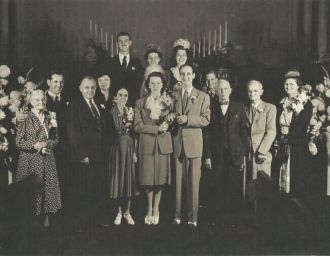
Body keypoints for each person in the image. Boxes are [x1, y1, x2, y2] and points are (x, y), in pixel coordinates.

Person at [171, 65, 210, 227]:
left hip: (194, 144)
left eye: (188, 74)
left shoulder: (202, 96)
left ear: (193, 76)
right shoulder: (173, 95)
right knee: (178, 183)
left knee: (194, 183)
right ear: (179, 76)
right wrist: (171, 116)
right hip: (178, 143)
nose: (185, 77)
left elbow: (206, 120)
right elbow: (168, 114)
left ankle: (192, 218)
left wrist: (188, 120)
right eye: (183, 74)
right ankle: (177, 215)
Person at [15, 90, 61, 227]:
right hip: (30, 161)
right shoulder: (26, 118)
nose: (40, 102)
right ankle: (30, 222)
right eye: (36, 100)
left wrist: (46, 144)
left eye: (43, 99)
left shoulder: (50, 116)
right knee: (31, 191)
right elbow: (18, 142)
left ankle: (46, 219)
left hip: (47, 159)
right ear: (31, 101)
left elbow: (56, 139)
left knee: (47, 188)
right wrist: (35, 145)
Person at [204, 80, 247, 219]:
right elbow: (207, 134)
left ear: (230, 90)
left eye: (225, 89)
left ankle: (234, 218)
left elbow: (243, 133)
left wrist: (243, 155)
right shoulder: (210, 108)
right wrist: (207, 155)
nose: (222, 92)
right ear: (216, 92)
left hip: (235, 153)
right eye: (220, 89)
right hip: (217, 154)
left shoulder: (239, 108)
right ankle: (217, 219)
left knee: (234, 185)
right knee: (217, 185)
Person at [66, 76, 105, 230]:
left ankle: (94, 221)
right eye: (87, 87)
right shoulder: (74, 105)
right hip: (84, 156)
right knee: (83, 189)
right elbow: (72, 132)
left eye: (93, 87)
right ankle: (83, 223)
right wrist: (83, 154)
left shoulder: (97, 105)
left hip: (98, 154)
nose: (90, 90)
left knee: (96, 187)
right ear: (80, 88)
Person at [134, 72, 173, 225]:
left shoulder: (169, 101)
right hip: (147, 145)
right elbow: (137, 126)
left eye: (158, 83)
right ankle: (148, 208)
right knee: (148, 179)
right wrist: (156, 129)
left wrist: (168, 121)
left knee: (160, 180)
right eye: (152, 83)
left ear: (162, 85)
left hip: (163, 144)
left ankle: (156, 208)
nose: (155, 85)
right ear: (148, 85)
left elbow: (172, 121)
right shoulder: (140, 102)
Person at [275, 71, 313, 197]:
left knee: (296, 178)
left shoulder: (306, 103)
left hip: (297, 145)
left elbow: (303, 126)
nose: (288, 87)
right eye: (286, 84)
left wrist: (289, 133)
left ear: (298, 86)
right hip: (282, 143)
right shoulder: (281, 102)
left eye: (291, 84)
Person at [108, 88, 139, 225]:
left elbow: (135, 134)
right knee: (117, 180)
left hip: (129, 148)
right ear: (116, 96)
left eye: (126, 95)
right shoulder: (111, 112)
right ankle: (118, 212)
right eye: (120, 95)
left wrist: (134, 153)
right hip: (115, 149)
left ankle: (128, 212)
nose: (123, 97)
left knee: (129, 180)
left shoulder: (131, 111)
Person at [45, 70, 70, 207]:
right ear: (48, 82)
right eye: (55, 81)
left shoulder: (69, 99)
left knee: (65, 179)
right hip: (48, 146)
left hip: (65, 146)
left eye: (61, 82)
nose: (59, 85)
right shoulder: (41, 99)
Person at [245, 80, 276, 181]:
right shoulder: (244, 109)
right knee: (248, 187)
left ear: (261, 92)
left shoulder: (269, 108)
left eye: (255, 91)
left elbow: (271, 131)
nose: (252, 94)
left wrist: (262, 152)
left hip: (262, 154)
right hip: (247, 155)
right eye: (250, 91)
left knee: (262, 185)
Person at [107, 32, 143, 105]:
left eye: (126, 41)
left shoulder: (137, 63)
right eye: (120, 41)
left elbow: (139, 85)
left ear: (130, 43)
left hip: (132, 103)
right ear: (117, 44)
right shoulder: (109, 62)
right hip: (114, 103)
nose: (123, 43)